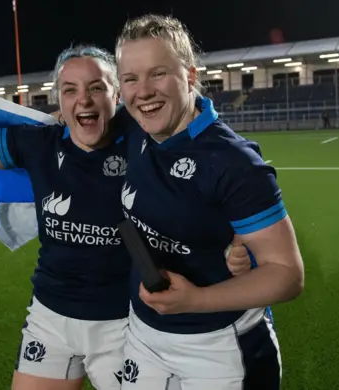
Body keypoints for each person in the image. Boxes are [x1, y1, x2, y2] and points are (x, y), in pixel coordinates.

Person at [0, 32, 252, 390]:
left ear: (116, 96)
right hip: (50, 319)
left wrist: (237, 241)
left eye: (96, 88)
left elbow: (216, 164)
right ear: (60, 101)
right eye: (70, 90)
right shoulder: (39, 144)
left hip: (127, 326)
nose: (83, 100)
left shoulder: (146, 137)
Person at [114, 14, 305, 389]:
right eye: (130, 79)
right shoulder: (134, 127)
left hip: (220, 347)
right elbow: (79, 121)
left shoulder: (234, 162)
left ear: (188, 75)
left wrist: (196, 300)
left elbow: (287, 274)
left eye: (158, 73)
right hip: (143, 336)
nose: (144, 91)